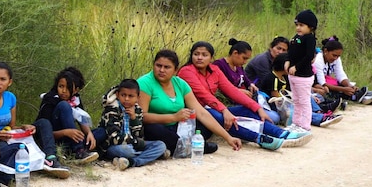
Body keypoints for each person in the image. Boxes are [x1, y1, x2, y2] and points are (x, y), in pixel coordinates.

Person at [177, 41, 312, 150]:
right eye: (196, 54)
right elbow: (204, 95)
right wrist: (224, 110)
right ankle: (260, 139)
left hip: (211, 108)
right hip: (194, 112)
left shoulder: (215, 70)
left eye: (204, 55)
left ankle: (281, 134)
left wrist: (258, 108)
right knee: (219, 115)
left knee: (246, 109)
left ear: (211, 58)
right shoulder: (186, 72)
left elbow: (232, 90)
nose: (199, 57)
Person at [137, 50, 243, 154]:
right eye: (158, 65)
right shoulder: (144, 83)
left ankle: (177, 146)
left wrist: (228, 138)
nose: (161, 70)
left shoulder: (180, 84)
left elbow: (201, 112)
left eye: (167, 67)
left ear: (175, 70)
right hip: (158, 126)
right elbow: (142, 117)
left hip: (178, 127)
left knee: (205, 124)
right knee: (154, 129)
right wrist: (173, 117)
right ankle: (193, 147)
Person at [0, 62, 69, 179]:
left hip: (9, 136)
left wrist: (23, 127)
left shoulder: (10, 98)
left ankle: (50, 159)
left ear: (9, 82)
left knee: (43, 123)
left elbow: (12, 126)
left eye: (2, 79)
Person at [97, 79, 168, 170]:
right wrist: (136, 143)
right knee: (127, 150)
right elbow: (114, 138)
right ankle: (149, 156)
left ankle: (131, 162)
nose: (126, 99)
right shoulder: (112, 109)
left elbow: (139, 135)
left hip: (133, 143)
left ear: (138, 97)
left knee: (160, 145)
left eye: (131, 96)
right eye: (123, 95)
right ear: (118, 95)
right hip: (113, 146)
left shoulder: (138, 110)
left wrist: (134, 119)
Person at [36, 67, 99, 164]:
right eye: (61, 86)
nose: (64, 91)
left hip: (68, 138)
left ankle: (78, 149)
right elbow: (44, 132)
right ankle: (79, 151)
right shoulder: (50, 99)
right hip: (53, 139)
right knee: (64, 105)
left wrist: (89, 133)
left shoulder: (75, 99)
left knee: (100, 132)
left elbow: (81, 118)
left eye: (68, 87)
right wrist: (65, 132)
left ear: (76, 90)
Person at [261, 53, 343, 128]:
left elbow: (293, 91)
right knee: (299, 110)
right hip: (277, 104)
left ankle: (319, 112)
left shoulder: (285, 77)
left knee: (307, 96)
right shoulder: (272, 78)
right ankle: (321, 118)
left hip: (286, 99)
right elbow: (276, 96)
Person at [314, 36, 372, 105]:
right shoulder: (318, 60)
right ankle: (362, 96)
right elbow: (322, 83)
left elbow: (340, 74)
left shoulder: (336, 59)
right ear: (326, 51)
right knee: (330, 90)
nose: (336, 58)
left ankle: (364, 96)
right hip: (318, 84)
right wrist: (344, 89)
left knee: (345, 85)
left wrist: (349, 85)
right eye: (334, 55)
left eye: (338, 56)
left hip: (328, 81)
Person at [285, 10, 318, 131]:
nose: (298, 28)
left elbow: (309, 56)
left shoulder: (309, 39)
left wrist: (296, 67)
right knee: (296, 100)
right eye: (297, 25)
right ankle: (296, 123)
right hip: (293, 75)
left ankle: (305, 125)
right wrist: (288, 61)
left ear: (311, 27)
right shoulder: (296, 38)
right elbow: (291, 52)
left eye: (302, 25)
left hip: (303, 76)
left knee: (304, 101)